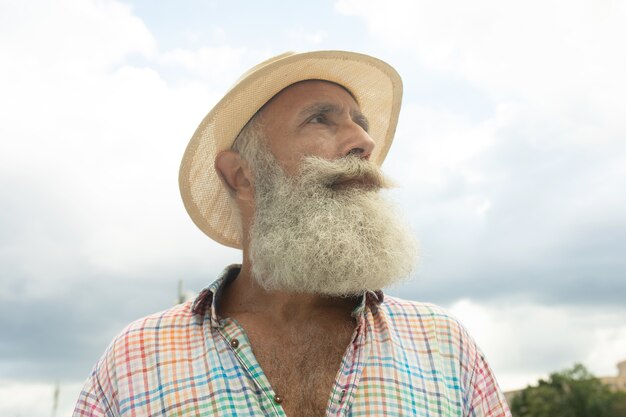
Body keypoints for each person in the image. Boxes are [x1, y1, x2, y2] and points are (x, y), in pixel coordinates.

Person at [73, 50, 511, 417]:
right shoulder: (136, 358)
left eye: (362, 123)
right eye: (321, 119)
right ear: (241, 175)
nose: (364, 142)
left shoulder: (443, 345)